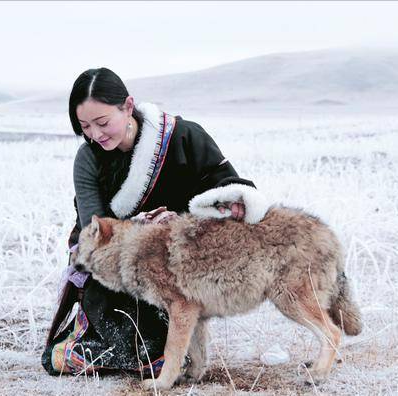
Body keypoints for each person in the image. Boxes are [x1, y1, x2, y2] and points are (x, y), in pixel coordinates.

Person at [42, 67, 269, 376]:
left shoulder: (185, 137)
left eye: (103, 122)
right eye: (85, 127)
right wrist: (139, 227)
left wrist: (183, 223)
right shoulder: (88, 159)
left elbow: (229, 191)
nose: (95, 134)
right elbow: (93, 227)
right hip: (120, 268)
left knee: (169, 334)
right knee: (140, 348)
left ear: (127, 106)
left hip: (180, 264)